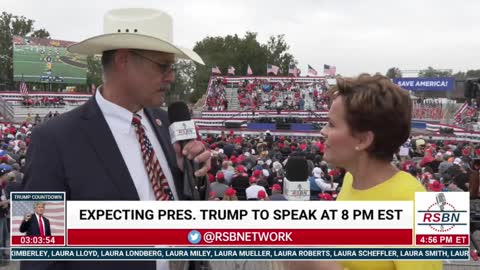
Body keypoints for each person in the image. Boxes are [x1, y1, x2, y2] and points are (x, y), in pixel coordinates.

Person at [22, 8, 209, 270]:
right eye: (164, 66)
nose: (171, 76)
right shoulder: (53, 139)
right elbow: (38, 252)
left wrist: (192, 173)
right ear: (124, 60)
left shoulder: (167, 123)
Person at [288, 74, 442, 270]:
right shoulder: (352, 178)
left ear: (363, 140)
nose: (323, 131)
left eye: (332, 124)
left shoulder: (415, 205)